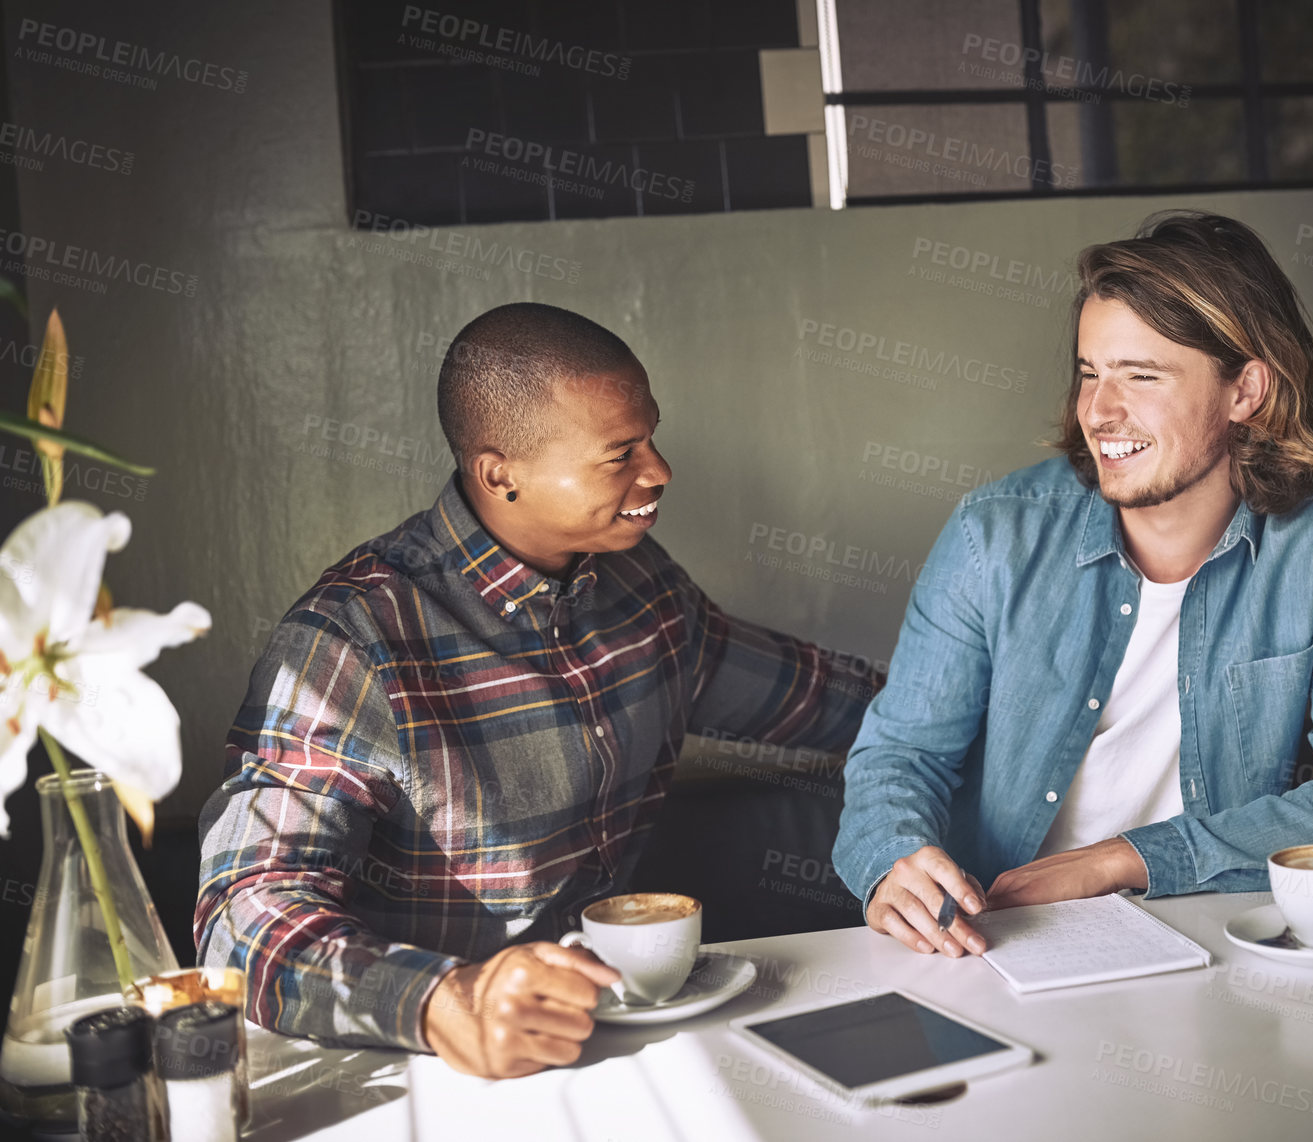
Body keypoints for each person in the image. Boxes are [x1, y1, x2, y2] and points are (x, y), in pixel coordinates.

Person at [197, 303, 878, 1076]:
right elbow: (240, 921)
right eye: (619, 454)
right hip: (416, 1071)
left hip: (615, 1047)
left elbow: (822, 699)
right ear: (499, 473)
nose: (658, 472)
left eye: (650, 438)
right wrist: (446, 1001)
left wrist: (996, 706)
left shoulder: (641, 587)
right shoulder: (352, 641)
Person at [833, 210, 1313, 958]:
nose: (1096, 411)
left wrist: (1122, 859)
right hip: (999, 942)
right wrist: (891, 863)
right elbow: (900, 757)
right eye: (1090, 373)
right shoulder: (993, 533)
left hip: (1217, 943)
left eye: (1140, 377)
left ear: (1244, 390)